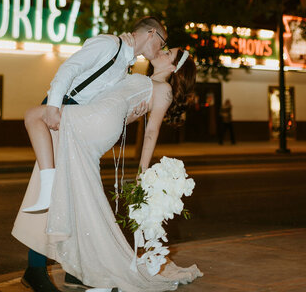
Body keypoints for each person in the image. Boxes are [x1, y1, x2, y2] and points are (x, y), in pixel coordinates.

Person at [13, 46, 202, 292]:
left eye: (169, 53)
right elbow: (115, 100)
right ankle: (74, 271)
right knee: (72, 192)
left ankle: (40, 265)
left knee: (34, 117)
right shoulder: (141, 78)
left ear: (174, 67)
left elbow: (151, 130)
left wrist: (142, 172)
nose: (162, 51)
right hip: (93, 117)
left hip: (93, 122)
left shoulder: (164, 89)